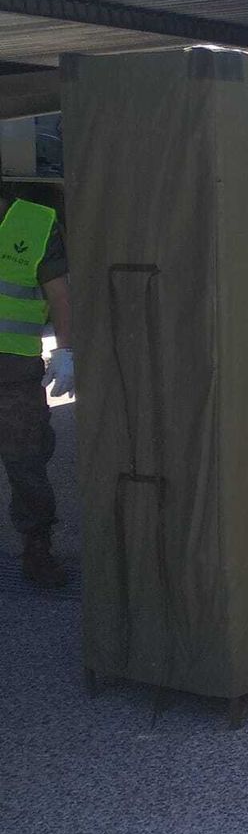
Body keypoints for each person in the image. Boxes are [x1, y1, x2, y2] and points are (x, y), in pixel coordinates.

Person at [0, 185, 73, 588]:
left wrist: (66, 352)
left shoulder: (35, 222)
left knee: (26, 462)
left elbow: (59, 295)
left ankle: (36, 548)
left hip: (12, 372)